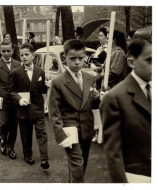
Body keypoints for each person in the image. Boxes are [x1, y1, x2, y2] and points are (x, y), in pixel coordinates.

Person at [100, 37, 151, 183]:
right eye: (149, 60)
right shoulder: (114, 98)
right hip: (139, 177)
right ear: (131, 62)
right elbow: (113, 153)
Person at [48, 39, 100, 183]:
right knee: (77, 164)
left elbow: (90, 102)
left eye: (81, 58)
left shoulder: (90, 77)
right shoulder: (58, 82)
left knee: (82, 163)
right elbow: (54, 112)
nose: (77, 62)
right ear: (65, 59)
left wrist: (97, 98)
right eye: (73, 59)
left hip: (87, 127)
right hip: (69, 130)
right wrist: (60, 135)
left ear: (85, 57)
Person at [9, 43, 49, 169]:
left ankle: (44, 158)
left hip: (38, 109)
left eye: (27, 54)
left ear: (33, 56)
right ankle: (28, 155)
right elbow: (11, 91)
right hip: (23, 109)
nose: (24, 57)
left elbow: (43, 90)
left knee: (42, 134)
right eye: (21, 55)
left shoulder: (40, 71)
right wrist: (19, 99)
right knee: (26, 135)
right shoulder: (16, 72)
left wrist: (47, 86)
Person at [0, 41, 21, 159]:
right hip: (2, 101)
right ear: (0, 52)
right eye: (3, 51)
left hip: (15, 101)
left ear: (12, 51)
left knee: (13, 125)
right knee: (4, 122)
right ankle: (3, 141)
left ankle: (11, 147)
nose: (6, 53)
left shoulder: (18, 64)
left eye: (8, 51)